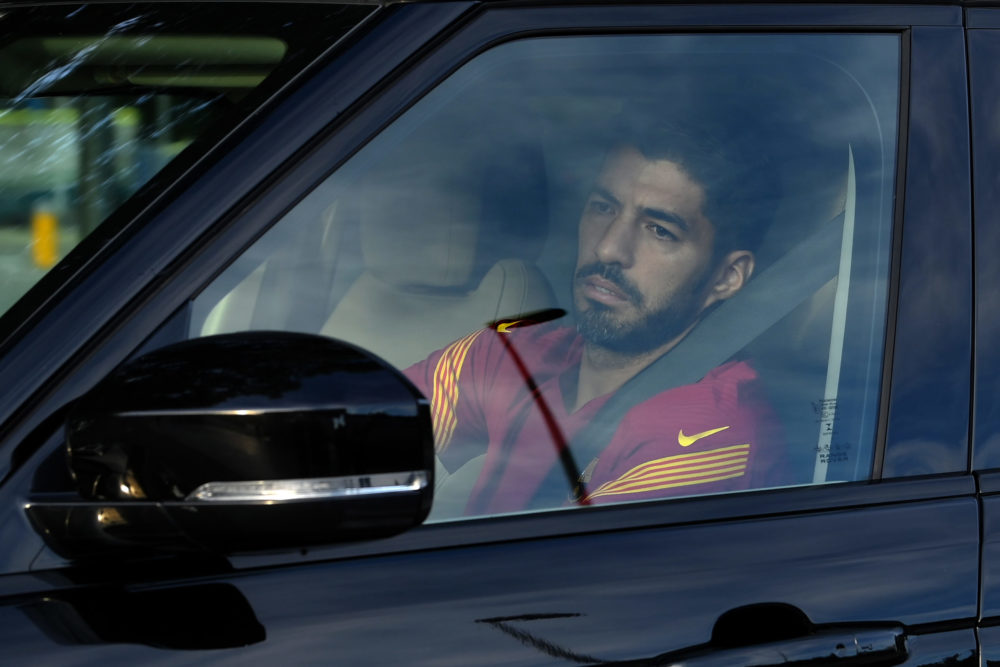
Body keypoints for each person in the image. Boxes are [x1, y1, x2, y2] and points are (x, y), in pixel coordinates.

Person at [405, 119, 787, 516]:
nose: (607, 248)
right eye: (604, 208)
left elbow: (549, 572)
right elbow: (362, 433)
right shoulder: (515, 356)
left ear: (725, 278)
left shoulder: (707, 437)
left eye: (659, 230)